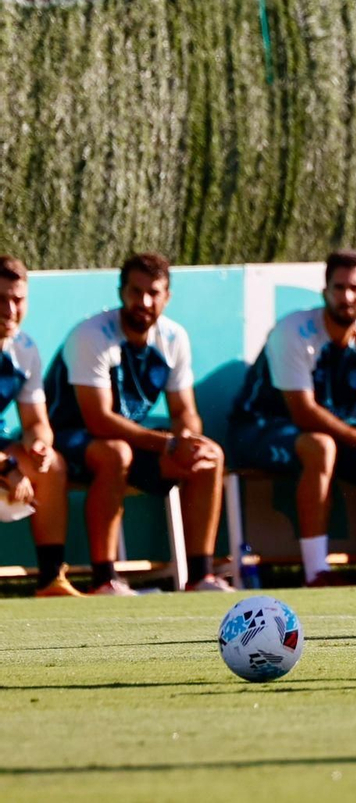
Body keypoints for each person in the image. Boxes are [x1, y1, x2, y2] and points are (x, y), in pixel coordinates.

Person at [229, 251, 356, 586]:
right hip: (259, 428)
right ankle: (317, 572)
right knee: (321, 446)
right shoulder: (294, 331)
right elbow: (303, 412)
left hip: (330, 436)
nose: (347, 297)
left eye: (354, 288)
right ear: (325, 293)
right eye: (339, 288)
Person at [47, 253, 232, 595]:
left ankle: (201, 577)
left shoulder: (174, 338)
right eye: (136, 291)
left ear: (167, 297)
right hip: (69, 438)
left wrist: (188, 439)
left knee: (210, 456)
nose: (143, 302)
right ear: (121, 292)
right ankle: (104, 580)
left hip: (130, 443)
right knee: (116, 453)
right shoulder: (93, 335)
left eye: (154, 293)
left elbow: (184, 409)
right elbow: (98, 420)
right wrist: (167, 444)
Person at [0, 256, 79, 597]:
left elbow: (36, 423)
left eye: (17, 299)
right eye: (0, 299)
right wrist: (8, 467)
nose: (10, 309)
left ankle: (50, 579)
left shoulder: (25, 347)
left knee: (53, 465)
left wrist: (39, 446)